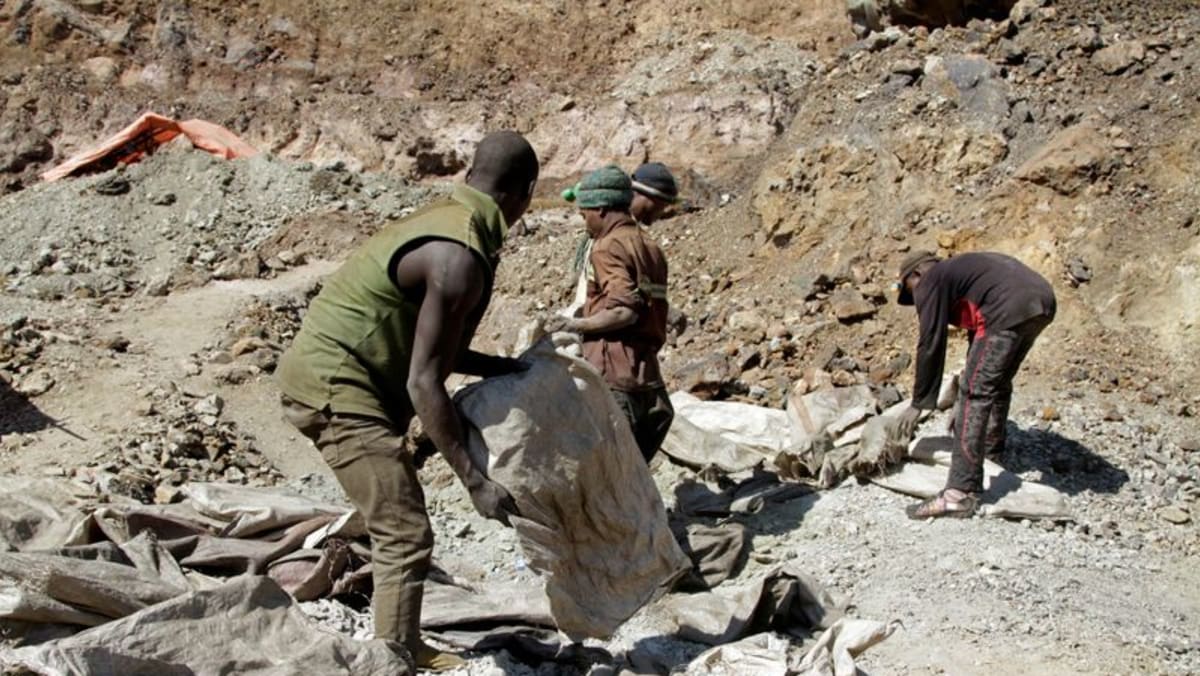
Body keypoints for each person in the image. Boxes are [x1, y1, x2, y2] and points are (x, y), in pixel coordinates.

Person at [275, 131, 538, 671]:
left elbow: (439, 350)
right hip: (338, 389)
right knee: (404, 530)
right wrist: (475, 482)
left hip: (337, 375)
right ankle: (394, 657)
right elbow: (424, 382)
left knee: (395, 518)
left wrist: (502, 367)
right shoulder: (459, 257)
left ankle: (398, 641)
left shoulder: (445, 220)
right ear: (525, 195)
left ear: (470, 176)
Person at [894, 250, 1057, 519]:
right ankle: (991, 456)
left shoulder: (931, 279)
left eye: (910, 291)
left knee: (974, 394)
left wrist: (920, 403)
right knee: (996, 383)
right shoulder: (964, 277)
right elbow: (978, 350)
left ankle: (959, 493)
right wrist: (957, 403)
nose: (917, 300)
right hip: (1041, 300)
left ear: (916, 274)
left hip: (1008, 306)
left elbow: (930, 342)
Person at [546, 165, 673, 463]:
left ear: (600, 210)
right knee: (635, 468)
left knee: (609, 465)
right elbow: (647, 303)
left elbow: (623, 311)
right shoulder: (649, 246)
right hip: (648, 379)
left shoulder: (606, 247)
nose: (585, 223)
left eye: (585, 215)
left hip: (614, 375)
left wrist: (574, 324)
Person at [561, 162, 679, 318]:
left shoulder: (629, 236)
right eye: (660, 204)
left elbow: (638, 292)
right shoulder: (611, 237)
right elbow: (604, 296)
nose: (663, 211)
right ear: (638, 194)